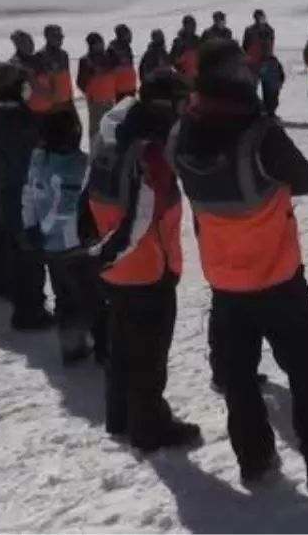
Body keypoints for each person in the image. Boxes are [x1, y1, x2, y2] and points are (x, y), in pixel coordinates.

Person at [170, 39, 308, 491]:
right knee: (307, 370)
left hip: (223, 277)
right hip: (277, 273)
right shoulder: (260, 133)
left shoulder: (182, 130)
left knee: (238, 377)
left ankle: (255, 461)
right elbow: (307, 180)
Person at [86, 69, 201, 452]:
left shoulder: (110, 138)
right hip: (148, 268)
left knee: (120, 346)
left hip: (116, 270)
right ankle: (150, 427)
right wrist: (107, 254)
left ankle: (119, 416)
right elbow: (140, 217)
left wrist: (96, 255)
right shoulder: (152, 153)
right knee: (149, 356)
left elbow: (86, 198)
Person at [22, 108, 107, 365]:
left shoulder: (37, 159)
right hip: (76, 246)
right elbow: (75, 206)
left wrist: (30, 226)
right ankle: (104, 347)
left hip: (49, 243)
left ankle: (72, 347)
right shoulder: (81, 164)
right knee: (92, 298)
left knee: (65, 297)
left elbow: (28, 196)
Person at [0, 63, 55, 330]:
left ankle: (12, 292)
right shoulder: (20, 120)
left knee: (11, 241)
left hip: (1, 187)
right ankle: (29, 310)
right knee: (29, 249)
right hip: (25, 191)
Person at [77, 33, 119, 142]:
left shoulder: (107, 57)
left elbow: (116, 64)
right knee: (96, 130)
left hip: (109, 98)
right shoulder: (86, 60)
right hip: (96, 101)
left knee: (109, 127)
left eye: (102, 42)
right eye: (99, 43)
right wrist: (90, 93)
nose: (102, 45)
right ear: (92, 45)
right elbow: (80, 82)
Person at [31, 25, 75, 116]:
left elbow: (67, 80)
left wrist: (71, 104)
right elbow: (36, 84)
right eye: (56, 36)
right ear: (47, 37)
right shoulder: (40, 57)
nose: (60, 39)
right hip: (48, 107)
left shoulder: (64, 55)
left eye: (61, 36)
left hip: (65, 103)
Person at [110, 24, 138, 101]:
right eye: (128, 34)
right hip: (120, 88)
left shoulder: (127, 47)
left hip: (130, 86)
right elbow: (111, 67)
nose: (130, 36)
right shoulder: (113, 48)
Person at [258, 53, 285, 117]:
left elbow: (261, 73)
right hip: (272, 84)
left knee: (270, 100)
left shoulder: (266, 63)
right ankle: (270, 113)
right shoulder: (274, 63)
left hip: (270, 83)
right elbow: (281, 73)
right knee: (272, 100)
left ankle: (269, 113)